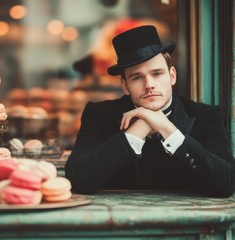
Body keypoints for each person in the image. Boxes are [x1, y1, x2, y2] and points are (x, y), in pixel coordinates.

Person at [65, 25, 235, 198]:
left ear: (172, 76)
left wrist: (165, 127)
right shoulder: (99, 114)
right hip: (116, 219)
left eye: (157, 74)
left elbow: (226, 183)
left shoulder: (205, 116)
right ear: (125, 86)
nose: (149, 85)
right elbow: (78, 179)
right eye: (137, 77)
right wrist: (137, 130)